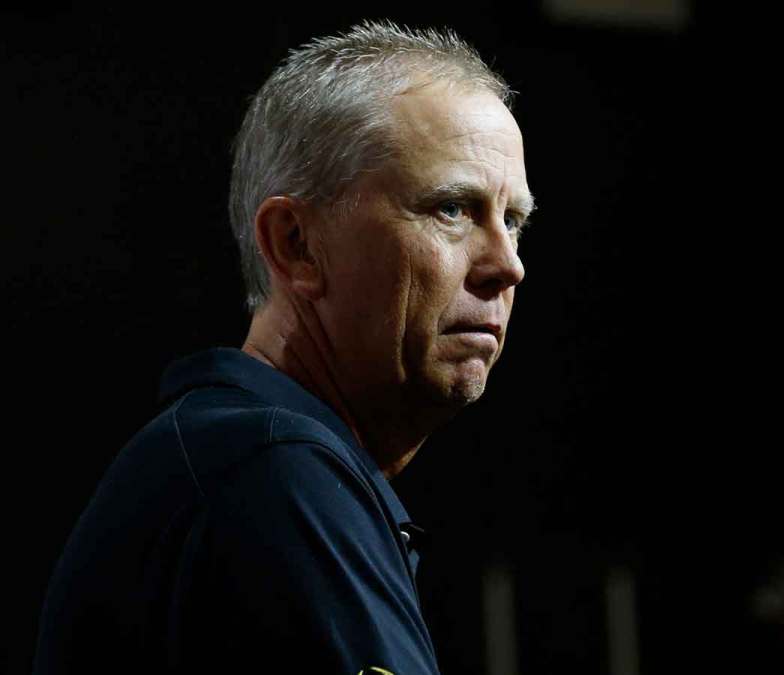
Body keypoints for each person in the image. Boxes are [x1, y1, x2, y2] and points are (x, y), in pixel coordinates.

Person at [33, 20, 532, 674]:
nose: (508, 265)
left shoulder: (246, 457)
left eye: (513, 220)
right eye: (452, 209)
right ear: (296, 244)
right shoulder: (273, 473)